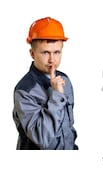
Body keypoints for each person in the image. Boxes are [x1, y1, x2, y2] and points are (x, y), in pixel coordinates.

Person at [13, 17, 78, 150]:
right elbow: (42, 138)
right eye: (45, 53)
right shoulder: (25, 90)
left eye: (56, 52)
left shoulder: (64, 79)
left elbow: (68, 128)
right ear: (32, 53)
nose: (52, 59)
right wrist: (57, 96)